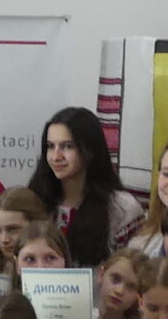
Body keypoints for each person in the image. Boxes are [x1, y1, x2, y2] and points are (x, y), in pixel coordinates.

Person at [28, 106, 141, 264]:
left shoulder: (122, 207)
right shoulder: (34, 200)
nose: (56, 156)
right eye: (51, 146)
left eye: (68, 146)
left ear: (91, 150)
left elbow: (134, 269)